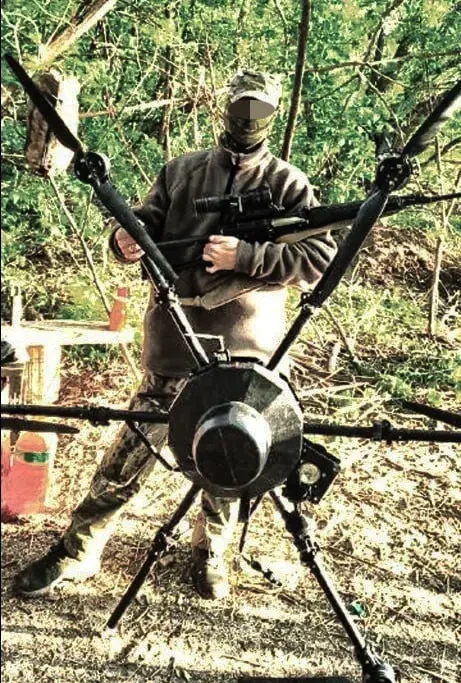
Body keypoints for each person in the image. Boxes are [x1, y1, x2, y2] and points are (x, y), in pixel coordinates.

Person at [15, 70, 337, 600]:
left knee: (229, 460)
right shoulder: (181, 171)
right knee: (127, 458)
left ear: (273, 115)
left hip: (245, 361)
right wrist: (124, 240)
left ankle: (212, 550)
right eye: (241, 107)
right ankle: (79, 549)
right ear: (225, 108)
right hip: (174, 348)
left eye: (258, 111)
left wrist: (247, 257)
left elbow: (320, 259)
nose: (248, 120)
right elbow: (142, 224)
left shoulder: (288, 184)